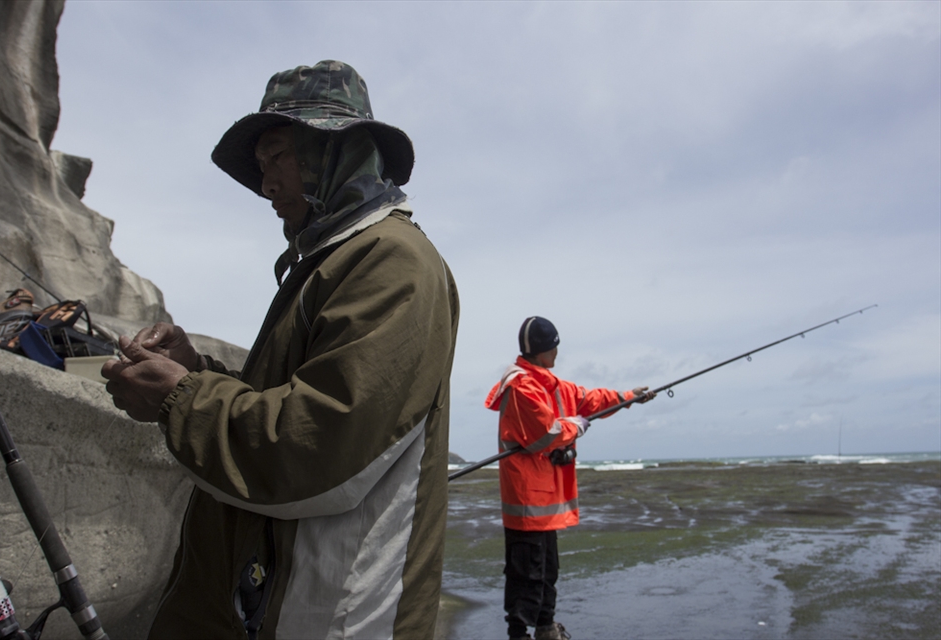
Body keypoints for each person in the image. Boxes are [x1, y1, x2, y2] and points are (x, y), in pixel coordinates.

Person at [102, 60, 460, 640]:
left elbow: (321, 448)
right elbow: (285, 401)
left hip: (328, 614)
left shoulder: (392, 259)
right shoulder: (331, 260)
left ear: (332, 150)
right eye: (261, 166)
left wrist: (180, 398)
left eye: (277, 158)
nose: (265, 184)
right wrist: (194, 370)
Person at [484, 316, 654, 640]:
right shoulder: (522, 386)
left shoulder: (551, 384)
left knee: (547, 570)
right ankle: (518, 635)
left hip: (546, 500)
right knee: (525, 575)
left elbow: (590, 399)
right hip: (527, 501)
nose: (558, 353)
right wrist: (578, 426)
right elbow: (545, 435)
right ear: (542, 351)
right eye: (554, 347)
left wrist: (627, 397)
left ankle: (546, 628)